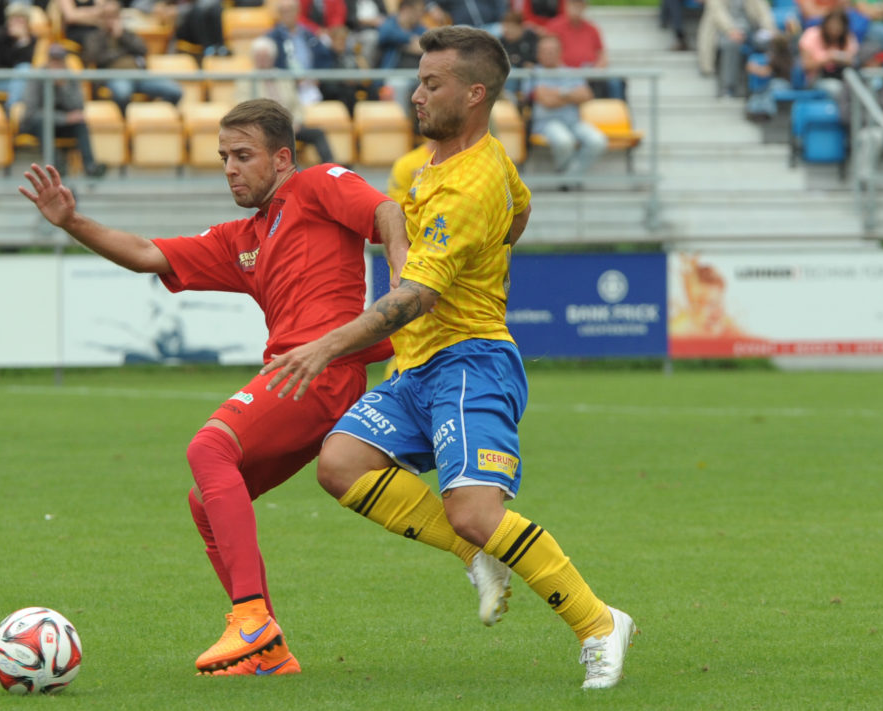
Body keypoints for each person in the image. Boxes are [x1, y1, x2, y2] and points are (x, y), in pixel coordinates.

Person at [259, 26, 637, 690]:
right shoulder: (448, 162)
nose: (416, 94)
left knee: (474, 511)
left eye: (432, 84)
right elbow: (520, 212)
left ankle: (600, 623)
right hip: (418, 367)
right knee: (341, 464)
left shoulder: (469, 185)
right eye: (419, 81)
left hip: (470, 360)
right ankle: (475, 551)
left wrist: (324, 346)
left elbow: (415, 298)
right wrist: (486, 255)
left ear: (474, 93)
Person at [19, 97, 408, 677]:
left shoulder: (318, 183)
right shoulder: (242, 239)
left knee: (209, 447)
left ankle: (250, 618)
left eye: (243, 155)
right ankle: (268, 651)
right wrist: (72, 222)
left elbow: (387, 211)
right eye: (224, 156)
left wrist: (401, 276)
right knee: (205, 501)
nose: (230, 168)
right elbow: (148, 254)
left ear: (282, 159)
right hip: (302, 380)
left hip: (320, 372)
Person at [237, 35, 336, 165]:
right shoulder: (246, 80)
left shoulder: (284, 77)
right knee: (279, 139)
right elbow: (243, 108)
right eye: (259, 57)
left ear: (272, 58)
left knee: (318, 133)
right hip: (263, 128)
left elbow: (297, 105)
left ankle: (331, 166)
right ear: (254, 58)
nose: (262, 60)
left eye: (266, 57)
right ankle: (292, 171)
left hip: (289, 125)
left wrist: (296, 122)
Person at [528, 34, 609, 182]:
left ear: (560, 52)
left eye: (553, 50)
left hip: (574, 122)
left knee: (598, 141)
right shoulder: (532, 74)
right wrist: (571, 95)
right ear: (538, 54)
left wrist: (557, 93)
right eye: (545, 50)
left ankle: (568, 177)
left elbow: (586, 95)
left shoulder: (571, 72)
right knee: (564, 141)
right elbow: (546, 101)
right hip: (547, 123)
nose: (549, 54)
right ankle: (569, 180)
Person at [19, 43, 107, 177]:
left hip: (63, 124)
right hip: (39, 123)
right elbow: (30, 113)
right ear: (48, 61)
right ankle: (56, 166)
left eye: (59, 61)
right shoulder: (36, 78)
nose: (56, 65)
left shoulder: (70, 77)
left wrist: (63, 87)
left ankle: (90, 166)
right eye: (53, 61)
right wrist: (64, 118)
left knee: (81, 123)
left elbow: (79, 106)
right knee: (42, 122)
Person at [82, 0, 183, 114]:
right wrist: (122, 52)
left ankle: (153, 115)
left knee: (174, 91)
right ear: (101, 18)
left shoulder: (127, 34)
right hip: (114, 76)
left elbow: (143, 50)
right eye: (107, 16)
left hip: (139, 75)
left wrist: (122, 36)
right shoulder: (95, 37)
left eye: (114, 15)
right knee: (122, 93)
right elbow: (95, 57)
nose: (111, 20)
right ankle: (125, 120)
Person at [838, 42, 883, 187]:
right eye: (874, 59)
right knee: (874, 136)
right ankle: (864, 180)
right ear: (865, 62)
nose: (879, 63)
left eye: (880, 60)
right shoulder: (851, 84)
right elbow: (845, 115)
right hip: (865, 128)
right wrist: (878, 120)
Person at [544, 0, 626, 101]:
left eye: (579, 3)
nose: (576, 7)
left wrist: (595, 71)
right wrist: (565, 70)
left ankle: (616, 110)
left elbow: (602, 55)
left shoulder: (592, 29)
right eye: (573, 3)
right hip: (563, 76)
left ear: (584, 6)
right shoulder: (554, 26)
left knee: (615, 82)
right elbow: (546, 53)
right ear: (566, 5)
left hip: (589, 76)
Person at [695, 0, 777, 98]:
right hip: (723, 31)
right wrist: (730, 30)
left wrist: (770, 29)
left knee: (770, 41)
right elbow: (718, 13)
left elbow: (763, 11)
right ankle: (728, 88)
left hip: (749, 30)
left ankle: (771, 85)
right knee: (730, 44)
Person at [799, 8, 859, 99]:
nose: (834, 29)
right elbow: (806, 65)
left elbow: (853, 61)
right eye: (832, 25)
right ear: (826, 23)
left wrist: (840, 58)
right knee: (835, 88)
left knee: (856, 86)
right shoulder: (811, 34)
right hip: (816, 79)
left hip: (842, 78)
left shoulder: (848, 38)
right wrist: (828, 58)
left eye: (838, 26)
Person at [0, 1, 36, 110]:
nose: (15, 23)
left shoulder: (32, 41)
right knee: (23, 72)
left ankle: (14, 111)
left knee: (24, 71)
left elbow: (33, 63)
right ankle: (14, 111)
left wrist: (23, 41)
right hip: (0, 80)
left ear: (27, 23)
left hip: (25, 81)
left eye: (20, 20)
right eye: (12, 19)